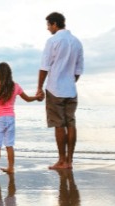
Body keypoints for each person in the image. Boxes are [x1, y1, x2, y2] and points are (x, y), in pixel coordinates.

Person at [36, 12, 84, 170]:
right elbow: (78, 70)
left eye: (49, 25)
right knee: (71, 124)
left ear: (55, 24)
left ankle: (61, 160)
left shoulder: (53, 41)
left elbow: (44, 66)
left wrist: (39, 88)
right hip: (71, 89)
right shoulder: (77, 42)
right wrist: (70, 81)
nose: (48, 28)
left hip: (55, 88)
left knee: (58, 125)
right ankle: (69, 161)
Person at [0, 62, 42, 176]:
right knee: (9, 144)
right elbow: (27, 99)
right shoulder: (16, 86)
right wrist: (37, 97)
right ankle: (11, 168)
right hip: (10, 118)